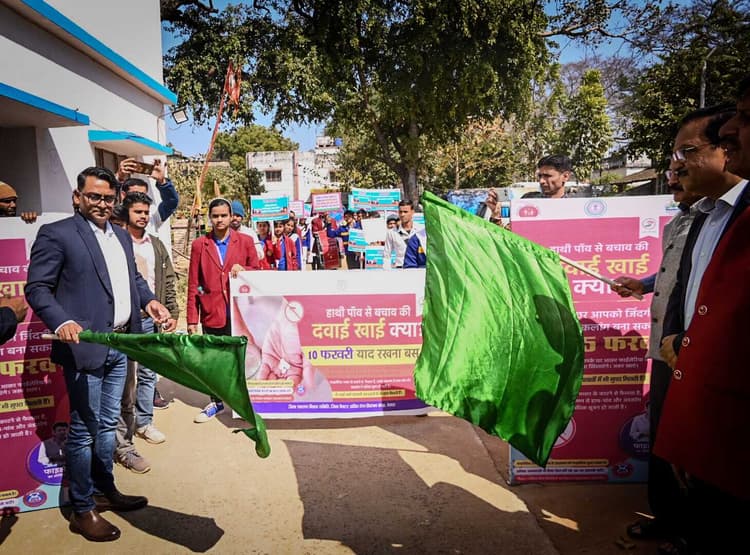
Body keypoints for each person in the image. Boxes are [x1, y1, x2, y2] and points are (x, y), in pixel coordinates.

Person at [25, 166, 172, 542]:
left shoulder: (120, 236)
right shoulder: (57, 234)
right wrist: (61, 321)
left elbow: (133, 280)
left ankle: (105, 489)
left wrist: (150, 302)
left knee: (108, 426)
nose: (102, 203)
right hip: (84, 348)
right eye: (94, 196)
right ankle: (82, 507)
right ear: (78, 197)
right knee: (84, 431)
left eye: (108, 198)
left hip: (119, 345)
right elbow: (37, 288)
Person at [655, 103, 748, 554]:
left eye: (687, 152)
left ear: (725, 150)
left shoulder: (742, 215)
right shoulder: (702, 217)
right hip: (689, 369)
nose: (677, 166)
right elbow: (686, 293)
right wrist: (677, 341)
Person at [610, 161, 702, 543]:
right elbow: (673, 275)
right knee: (662, 434)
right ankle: (665, 516)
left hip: (696, 349)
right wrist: (643, 285)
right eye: (670, 171)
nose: (673, 179)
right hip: (665, 347)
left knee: (693, 438)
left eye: (683, 166)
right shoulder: (678, 222)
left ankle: (694, 526)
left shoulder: (722, 222)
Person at [114, 192, 179, 474]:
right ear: (126, 213)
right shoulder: (117, 242)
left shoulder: (156, 244)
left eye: (145, 212)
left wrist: (171, 311)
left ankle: (144, 423)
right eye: (137, 211)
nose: (142, 216)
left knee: (149, 374)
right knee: (126, 381)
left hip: (151, 318)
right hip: (127, 322)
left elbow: (168, 280)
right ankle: (123, 439)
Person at [187, 198, 260, 422]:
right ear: (210, 217)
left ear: (231, 217)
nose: (219, 220)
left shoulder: (245, 241)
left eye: (223, 215)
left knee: (242, 359)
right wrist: (192, 318)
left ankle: (243, 404)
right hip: (212, 312)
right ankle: (216, 402)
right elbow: (194, 283)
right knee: (213, 359)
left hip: (240, 313)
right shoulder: (200, 245)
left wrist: (245, 269)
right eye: (215, 216)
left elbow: (258, 272)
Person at [117, 159, 179, 238]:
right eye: (135, 195)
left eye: (143, 195)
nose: (143, 216)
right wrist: (118, 178)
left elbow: (171, 202)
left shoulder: (151, 213)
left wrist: (162, 182)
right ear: (123, 195)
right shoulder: (114, 214)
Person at [383, 200, 417, 269]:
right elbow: (387, 255)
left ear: (412, 212)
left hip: (418, 268)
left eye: (405, 212)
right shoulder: (391, 232)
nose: (402, 214)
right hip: (400, 268)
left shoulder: (420, 229)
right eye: (400, 212)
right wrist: (386, 272)